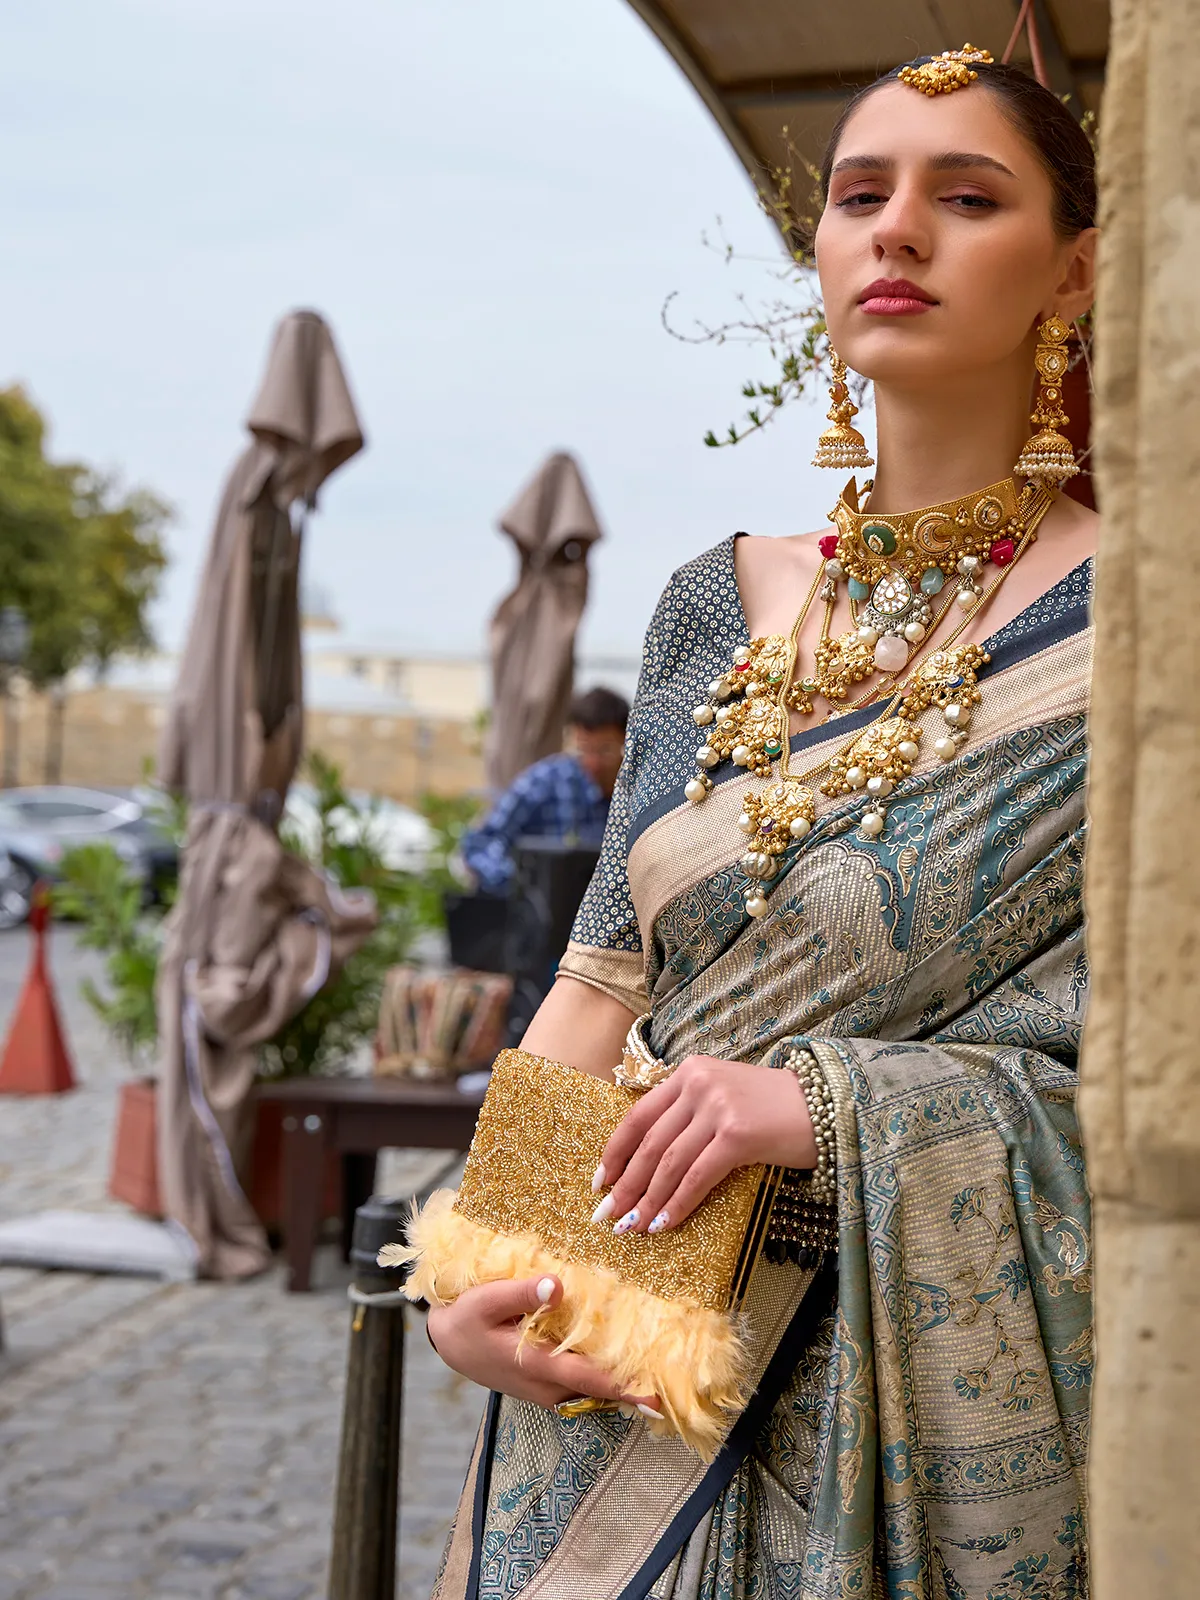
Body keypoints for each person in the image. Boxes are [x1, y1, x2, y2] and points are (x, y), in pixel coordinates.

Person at [426, 49, 1098, 1598]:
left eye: (966, 196)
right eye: (861, 196)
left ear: (1074, 271)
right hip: (614, 1354)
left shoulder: (1146, 632)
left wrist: (831, 1104)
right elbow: (601, 980)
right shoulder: (707, 602)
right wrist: (475, 1266)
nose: (897, 232)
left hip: (907, 1395)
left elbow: (1153, 1069)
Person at [459, 686, 629, 894]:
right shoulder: (544, 782)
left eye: (605, 751)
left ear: (628, 743)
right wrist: (522, 889)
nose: (593, 762)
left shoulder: (638, 793)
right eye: (584, 749)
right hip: (545, 919)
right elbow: (481, 843)